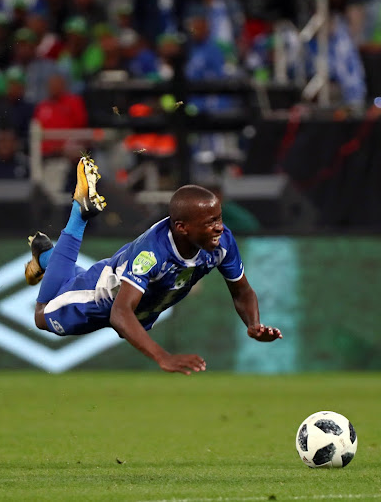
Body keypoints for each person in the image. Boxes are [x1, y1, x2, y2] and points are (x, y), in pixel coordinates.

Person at [25, 156, 282, 374]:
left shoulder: (221, 241)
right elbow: (120, 312)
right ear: (182, 228)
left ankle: (47, 257)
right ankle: (77, 217)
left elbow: (242, 291)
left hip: (126, 288)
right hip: (99, 301)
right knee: (41, 315)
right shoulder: (152, 254)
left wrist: (253, 324)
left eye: (219, 218)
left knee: (76, 282)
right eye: (210, 222)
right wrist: (163, 356)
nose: (220, 227)